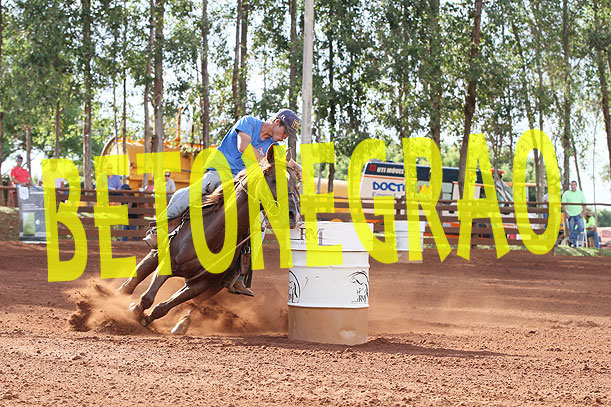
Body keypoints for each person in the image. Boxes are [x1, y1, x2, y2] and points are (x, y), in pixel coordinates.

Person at [143, 108, 302, 296]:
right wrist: (267, 164)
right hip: (221, 172)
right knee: (189, 193)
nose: (285, 137)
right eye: (285, 131)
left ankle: (237, 275)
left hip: (243, 186)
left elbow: (288, 163)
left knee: (259, 227)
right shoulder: (249, 122)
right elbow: (243, 146)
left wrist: (298, 169)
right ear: (277, 122)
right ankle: (160, 230)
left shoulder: (273, 147)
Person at [561, 180, 586, 247]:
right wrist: (566, 214)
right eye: (571, 185)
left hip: (578, 214)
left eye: (574, 185)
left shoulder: (580, 193)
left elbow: (584, 203)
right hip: (570, 215)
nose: (573, 186)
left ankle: (571, 239)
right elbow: (563, 205)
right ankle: (573, 244)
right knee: (571, 229)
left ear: (576, 185)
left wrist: (583, 212)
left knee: (581, 227)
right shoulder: (566, 193)